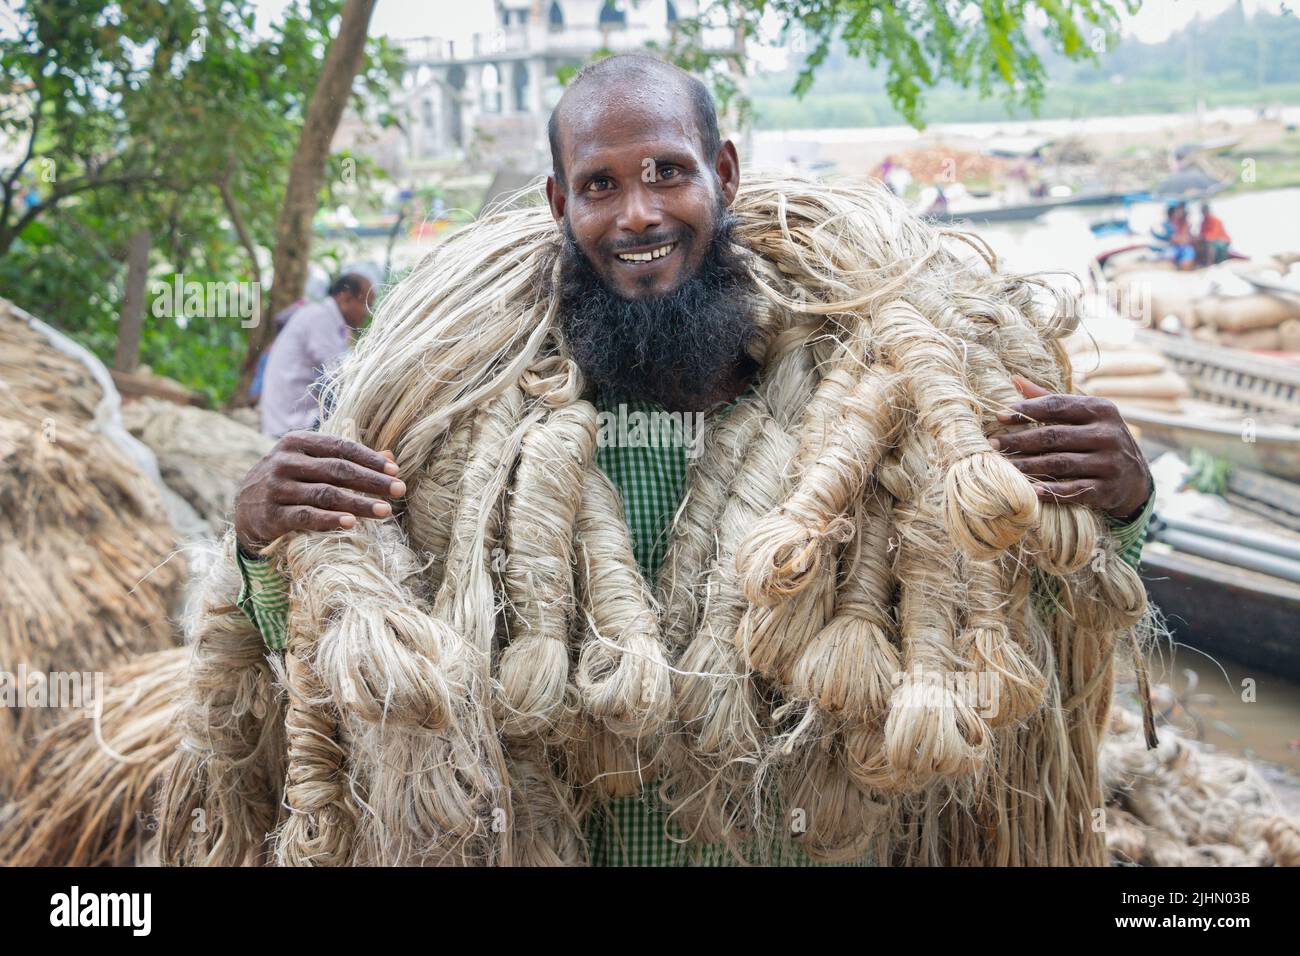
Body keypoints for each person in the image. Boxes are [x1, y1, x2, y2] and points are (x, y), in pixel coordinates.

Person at [230, 54, 1154, 866]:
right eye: (600, 185)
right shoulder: (466, 437)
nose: (638, 215)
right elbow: (338, 668)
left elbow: (1016, 602)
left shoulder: (872, 406)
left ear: (723, 176)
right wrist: (263, 541)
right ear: (560, 205)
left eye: (667, 173)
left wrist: (1123, 503)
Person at [258, 270, 376, 437]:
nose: (367, 313)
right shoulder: (321, 318)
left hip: (288, 419)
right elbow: (339, 377)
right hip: (292, 423)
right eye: (366, 304)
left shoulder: (324, 318)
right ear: (346, 298)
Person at [1153, 201, 1195, 271]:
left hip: (1181, 248)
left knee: (1186, 253)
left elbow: (1185, 237)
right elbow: (1170, 238)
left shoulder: (1184, 223)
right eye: (1177, 212)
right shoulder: (1169, 224)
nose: (1179, 214)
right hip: (1174, 248)